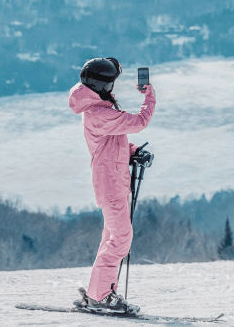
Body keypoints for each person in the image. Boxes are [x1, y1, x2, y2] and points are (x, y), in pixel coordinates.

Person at [67, 57, 156, 314]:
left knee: (112, 237)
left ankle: (98, 292)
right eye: (110, 83)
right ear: (100, 85)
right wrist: (150, 96)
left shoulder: (96, 109)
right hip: (111, 184)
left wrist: (133, 151)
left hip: (112, 180)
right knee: (120, 238)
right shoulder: (99, 113)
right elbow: (139, 122)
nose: (112, 89)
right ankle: (100, 296)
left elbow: (111, 144)